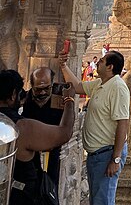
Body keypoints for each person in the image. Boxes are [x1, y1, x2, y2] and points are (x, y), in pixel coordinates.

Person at [59, 49, 130, 205]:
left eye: (102, 61)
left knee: (102, 201)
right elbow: (77, 86)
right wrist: (63, 66)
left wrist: (116, 159)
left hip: (108, 153)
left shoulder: (117, 87)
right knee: (97, 199)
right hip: (96, 154)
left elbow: (123, 124)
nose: (98, 62)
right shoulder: (100, 83)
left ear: (110, 67)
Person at [0, 69, 75, 205]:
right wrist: (69, 100)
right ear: (12, 95)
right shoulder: (22, 127)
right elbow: (64, 133)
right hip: (22, 196)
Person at [21, 67, 64, 187]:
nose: (43, 93)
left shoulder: (60, 97)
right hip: (30, 154)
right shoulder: (24, 99)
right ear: (32, 86)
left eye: (47, 88)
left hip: (52, 152)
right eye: (38, 90)